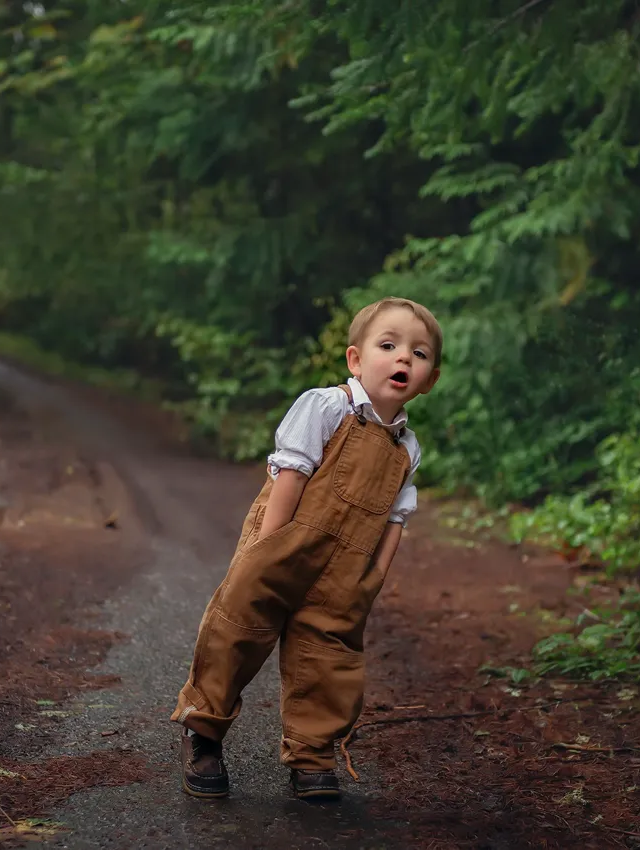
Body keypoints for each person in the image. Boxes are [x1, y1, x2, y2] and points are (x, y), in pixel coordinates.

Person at [171, 296, 443, 801]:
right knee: (238, 629)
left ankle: (312, 754)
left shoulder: (407, 449)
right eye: (389, 345)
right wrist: (269, 547)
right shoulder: (327, 406)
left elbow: (395, 520)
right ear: (355, 359)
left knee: (329, 654)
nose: (404, 358)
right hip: (288, 538)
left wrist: (374, 577)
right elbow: (291, 475)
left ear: (431, 379)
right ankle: (204, 732)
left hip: (348, 568)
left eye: (419, 353)